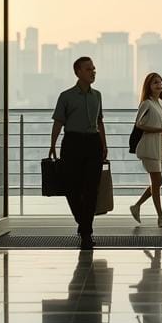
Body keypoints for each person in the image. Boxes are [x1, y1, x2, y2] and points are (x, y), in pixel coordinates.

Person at [49, 56, 108, 248]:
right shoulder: (66, 96)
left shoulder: (97, 95)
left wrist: (104, 144)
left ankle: (86, 233)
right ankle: (83, 223)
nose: (93, 72)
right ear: (78, 72)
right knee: (71, 187)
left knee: (92, 189)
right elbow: (58, 121)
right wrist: (53, 145)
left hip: (93, 143)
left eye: (94, 69)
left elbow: (100, 121)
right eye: (89, 69)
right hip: (72, 142)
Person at [129, 72, 162, 228]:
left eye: (160, 82)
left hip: (158, 145)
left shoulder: (161, 103)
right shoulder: (146, 103)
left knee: (157, 181)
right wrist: (160, 130)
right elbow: (138, 124)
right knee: (158, 181)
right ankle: (161, 218)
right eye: (155, 82)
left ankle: (136, 206)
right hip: (149, 146)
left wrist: (161, 131)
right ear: (148, 86)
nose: (159, 85)